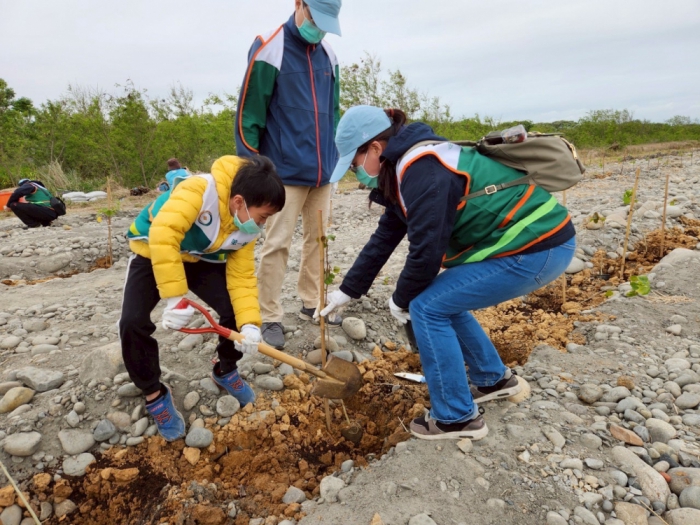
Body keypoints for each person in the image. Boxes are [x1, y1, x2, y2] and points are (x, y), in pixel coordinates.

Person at [319, 106, 576, 441]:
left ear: (375, 148)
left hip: (538, 247)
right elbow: (386, 236)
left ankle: (456, 418)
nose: (356, 174)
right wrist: (348, 290)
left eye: (354, 164)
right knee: (439, 300)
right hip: (532, 244)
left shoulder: (423, 170)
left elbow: (426, 253)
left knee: (427, 307)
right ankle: (493, 380)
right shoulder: (406, 168)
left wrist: (401, 299)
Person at [119, 155, 285, 441]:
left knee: (233, 310)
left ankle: (225, 369)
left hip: (198, 257)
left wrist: (250, 324)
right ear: (239, 201)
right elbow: (164, 235)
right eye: (263, 216)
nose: (262, 224)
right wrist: (175, 298)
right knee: (132, 322)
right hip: (154, 249)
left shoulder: (246, 227)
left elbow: (242, 278)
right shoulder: (198, 190)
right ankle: (153, 392)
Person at [234, 0, 343, 350]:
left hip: (322, 171)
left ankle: (312, 300)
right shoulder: (270, 47)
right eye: (315, 19)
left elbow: (333, 115)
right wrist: (253, 169)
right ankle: (269, 315)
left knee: (318, 239)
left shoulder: (329, 55)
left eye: (326, 23)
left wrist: (337, 158)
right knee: (277, 242)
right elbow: (248, 114)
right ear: (299, 4)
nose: (319, 28)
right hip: (282, 172)